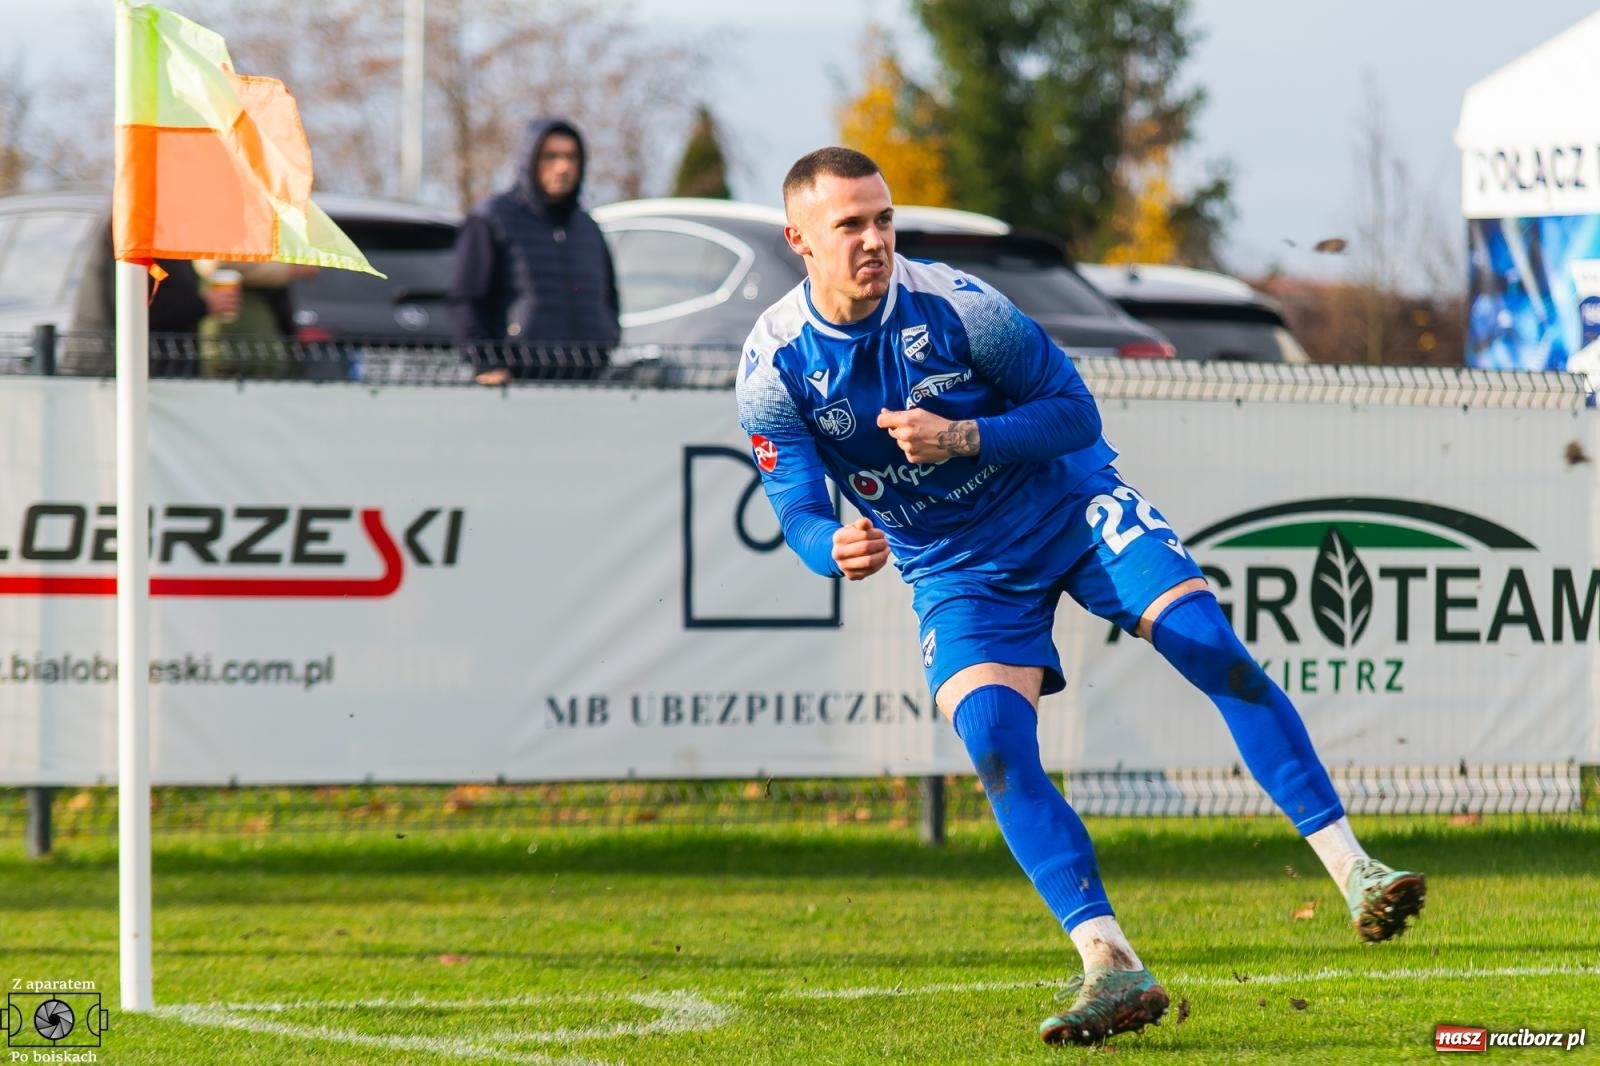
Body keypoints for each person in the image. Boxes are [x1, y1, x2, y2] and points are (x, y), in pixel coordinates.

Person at [736, 147, 1426, 1047]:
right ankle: (1109, 961)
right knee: (991, 740)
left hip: (1068, 505)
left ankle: (1353, 869)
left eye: (883, 218)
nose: (874, 240)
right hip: (956, 566)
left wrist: (963, 435)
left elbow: (1074, 411)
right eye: (850, 226)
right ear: (800, 241)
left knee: (1207, 645)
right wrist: (831, 546)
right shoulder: (771, 367)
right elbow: (792, 505)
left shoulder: (960, 305)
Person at [448, 117, 620, 384]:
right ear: (529, 160)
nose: (563, 167)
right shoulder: (491, 219)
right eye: (550, 157)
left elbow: (609, 299)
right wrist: (485, 364)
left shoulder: (588, 227)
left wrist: (607, 341)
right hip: (516, 385)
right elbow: (465, 301)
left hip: (587, 383)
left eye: (571, 157)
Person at [68, 223, 241, 376]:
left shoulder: (160, 228)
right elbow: (133, 306)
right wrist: (203, 304)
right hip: (118, 370)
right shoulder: (135, 225)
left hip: (149, 368)